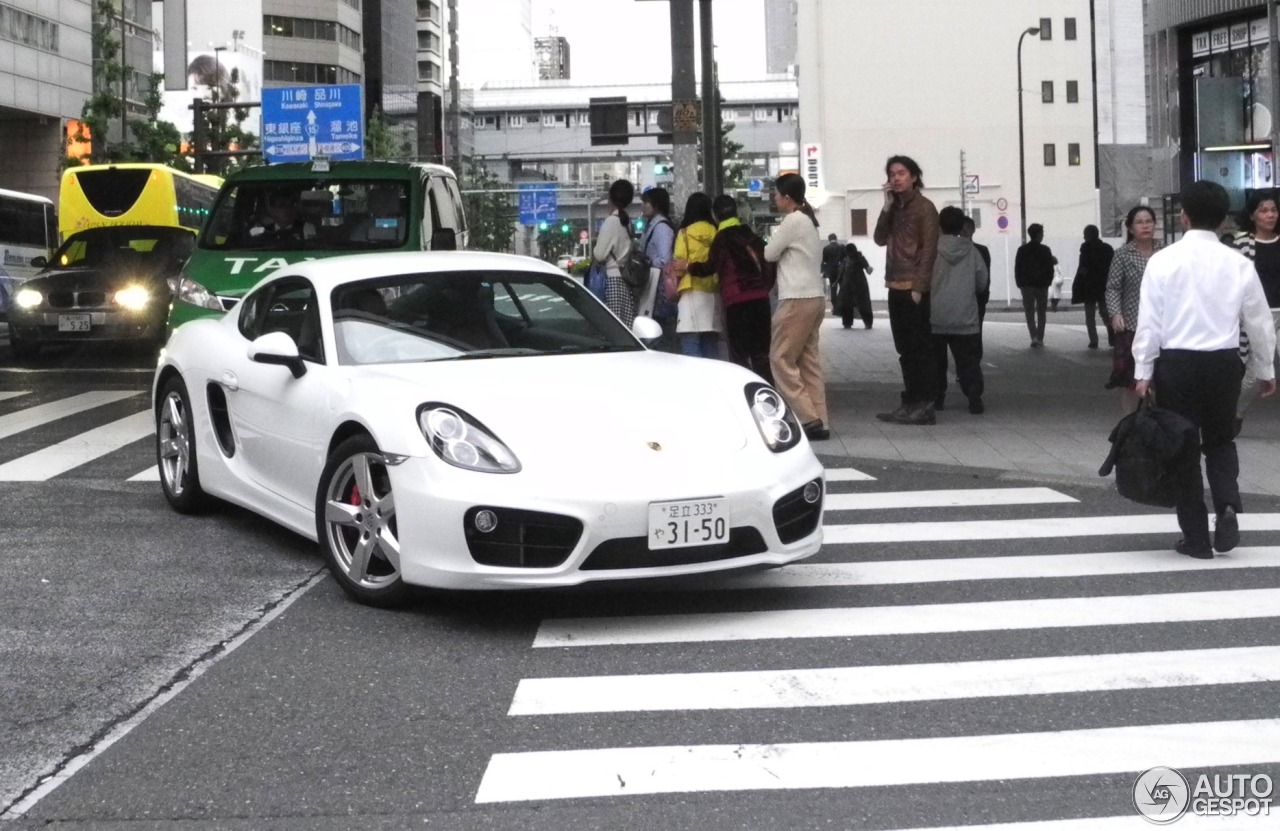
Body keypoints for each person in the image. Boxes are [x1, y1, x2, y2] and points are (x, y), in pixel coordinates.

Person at [1131, 179, 1276, 559]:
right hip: (1224, 363)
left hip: (1176, 363)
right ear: (1223, 220)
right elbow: (1258, 322)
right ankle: (1227, 505)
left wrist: (1142, 370)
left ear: (1184, 216)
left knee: (1183, 447)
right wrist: (1264, 369)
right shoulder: (1239, 263)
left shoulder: (1162, 261)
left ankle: (1195, 537)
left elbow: (1149, 323)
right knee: (1220, 440)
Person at [873, 154, 940, 426]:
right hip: (894, 284)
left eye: (901, 173)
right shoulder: (895, 208)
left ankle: (924, 405)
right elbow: (879, 238)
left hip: (913, 286)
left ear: (914, 177)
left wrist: (919, 287)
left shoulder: (925, 208)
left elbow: (929, 250)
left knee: (919, 348)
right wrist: (887, 207)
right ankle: (910, 402)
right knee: (904, 349)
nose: (896, 178)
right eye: (892, 174)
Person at [763, 172, 828, 440]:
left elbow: (769, 254)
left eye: (777, 195)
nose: (775, 199)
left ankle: (806, 417)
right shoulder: (810, 222)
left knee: (780, 358)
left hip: (796, 298)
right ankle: (820, 420)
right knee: (808, 360)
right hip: (815, 297)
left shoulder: (792, 221)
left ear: (787, 198)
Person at [688, 194, 774, 382]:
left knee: (740, 356)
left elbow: (709, 268)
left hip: (737, 303)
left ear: (715, 215)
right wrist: (763, 288)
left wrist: (688, 266)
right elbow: (769, 263)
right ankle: (768, 395)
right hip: (760, 301)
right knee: (761, 356)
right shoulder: (752, 236)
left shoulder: (722, 239)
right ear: (735, 211)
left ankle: (746, 396)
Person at [930, 207, 990, 415]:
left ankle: (937, 398)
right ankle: (974, 397)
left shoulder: (932, 249)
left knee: (937, 362)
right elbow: (982, 282)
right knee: (968, 362)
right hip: (966, 316)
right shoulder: (972, 251)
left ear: (940, 225)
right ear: (961, 226)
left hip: (936, 315)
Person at [1104, 205, 1161, 413]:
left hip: (1161, 326)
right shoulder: (1123, 255)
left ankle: (1158, 420)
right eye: (1139, 222)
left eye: (1149, 221)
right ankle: (1129, 420)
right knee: (1128, 378)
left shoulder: (1165, 253)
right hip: (1131, 325)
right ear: (1130, 228)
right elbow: (1113, 287)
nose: (1145, 226)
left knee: (1160, 377)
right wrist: (1115, 313)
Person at [1231, 189, 1280, 427]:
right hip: (1256, 315)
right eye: (1263, 210)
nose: (1270, 215)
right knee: (1253, 375)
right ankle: (1235, 415)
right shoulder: (1241, 244)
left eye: (1273, 210)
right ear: (1252, 215)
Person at [670, 192, 723, 358]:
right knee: (710, 344)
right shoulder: (716, 232)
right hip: (713, 292)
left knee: (690, 342)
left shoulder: (684, 233)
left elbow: (679, 265)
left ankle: (696, 381)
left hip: (691, 290)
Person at [635, 187, 678, 351]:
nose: (643, 206)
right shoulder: (652, 225)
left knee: (663, 329)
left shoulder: (661, 228)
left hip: (660, 290)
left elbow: (665, 259)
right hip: (654, 287)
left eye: (647, 202)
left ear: (656, 205)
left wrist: (647, 261)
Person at [593, 179, 636, 327]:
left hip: (612, 280)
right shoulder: (627, 222)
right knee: (625, 326)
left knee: (613, 326)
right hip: (625, 279)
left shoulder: (611, 221)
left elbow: (599, 255)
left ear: (610, 199)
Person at [1071, 225, 1116, 349]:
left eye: (1085, 234)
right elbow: (1113, 266)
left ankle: (1094, 340)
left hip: (1089, 285)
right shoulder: (1107, 248)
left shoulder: (1086, 249)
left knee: (1090, 314)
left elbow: (1083, 267)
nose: (1084, 237)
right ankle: (1111, 333)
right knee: (1105, 312)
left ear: (1088, 235)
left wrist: (1079, 282)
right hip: (1104, 284)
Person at [1014, 223, 1056, 347]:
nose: (1043, 235)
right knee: (1041, 312)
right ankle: (1040, 337)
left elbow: (1017, 268)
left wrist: (1020, 283)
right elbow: (1050, 269)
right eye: (1042, 233)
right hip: (1042, 285)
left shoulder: (1022, 250)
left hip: (1026, 286)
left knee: (1029, 311)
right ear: (1038, 235)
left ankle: (1034, 337)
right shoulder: (1045, 250)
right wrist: (1048, 281)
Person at [249, 189, 314, 244]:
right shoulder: (264, 231)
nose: (287, 209)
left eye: (291, 205)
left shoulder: (306, 228)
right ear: (273, 209)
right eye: (282, 206)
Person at [961, 216, 990, 326]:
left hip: (968, 298)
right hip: (978, 297)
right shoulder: (981, 250)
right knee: (976, 333)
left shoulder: (950, 250)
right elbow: (986, 277)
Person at [837, 242, 874, 329]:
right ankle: (849, 323)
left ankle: (865, 323)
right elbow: (841, 272)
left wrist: (870, 269)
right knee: (850, 304)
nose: (849, 253)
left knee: (860, 304)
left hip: (856, 284)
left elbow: (868, 269)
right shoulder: (848, 259)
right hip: (853, 284)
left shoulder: (857, 258)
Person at [821, 233, 844, 314]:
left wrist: (823, 271)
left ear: (829, 239)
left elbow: (824, 261)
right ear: (836, 238)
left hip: (831, 272)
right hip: (840, 271)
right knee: (842, 289)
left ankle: (835, 307)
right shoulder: (841, 247)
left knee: (833, 289)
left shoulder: (826, 249)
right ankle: (843, 307)